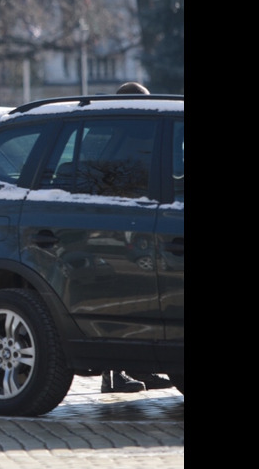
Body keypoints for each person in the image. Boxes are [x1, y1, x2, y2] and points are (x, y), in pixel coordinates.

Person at [101, 80, 173, 393]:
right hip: (118, 233)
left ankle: (137, 368)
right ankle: (112, 376)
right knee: (116, 301)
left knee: (138, 301)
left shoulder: (125, 135)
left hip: (135, 229)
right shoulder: (121, 138)